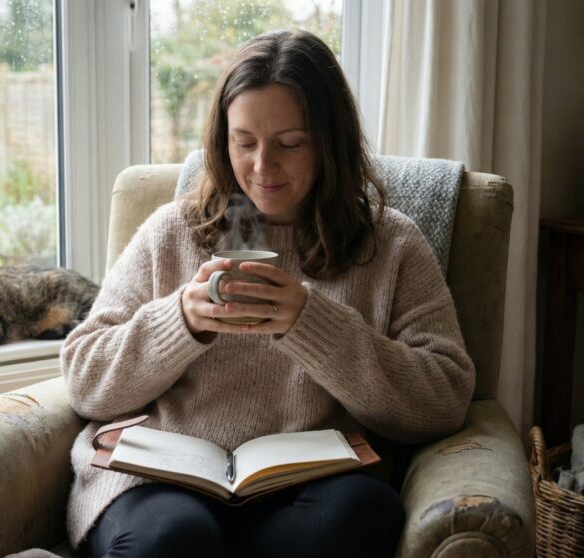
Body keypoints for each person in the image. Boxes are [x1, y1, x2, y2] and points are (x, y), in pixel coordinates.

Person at [60, 29, 475, 558]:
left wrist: (311, 323)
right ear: (221, 140)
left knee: (360, 515)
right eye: (244, 142)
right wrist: (179, 322)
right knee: (174, 539)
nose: (261, 167)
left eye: (289, 144)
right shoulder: (172, 231)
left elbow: (445, 397)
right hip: (162, 482)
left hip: (315, 486)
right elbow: (83, 380)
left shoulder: (390, 244)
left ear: (330, 141)